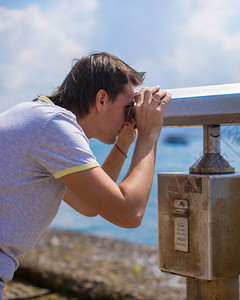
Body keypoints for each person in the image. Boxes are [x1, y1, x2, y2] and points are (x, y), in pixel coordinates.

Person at [0, 52, 171, 297]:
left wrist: (123, 144)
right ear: (101, 99)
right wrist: (149, 134)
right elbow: (129, 213)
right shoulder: (54, 127)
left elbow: (88, 204)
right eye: (127, 107)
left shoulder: (37, 117)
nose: (130, 116)